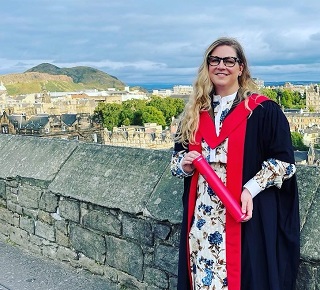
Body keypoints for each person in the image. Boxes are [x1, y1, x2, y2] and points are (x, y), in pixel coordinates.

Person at [170, 37, 300, 290]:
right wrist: (184, 166)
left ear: (241, 68)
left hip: (245, 212)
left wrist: (250, 190)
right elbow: (176, 162)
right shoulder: (194, 113)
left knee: (246, 277)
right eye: (215, 60)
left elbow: (285, 163)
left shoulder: (263, 111)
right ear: (207, 66)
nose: (221, 66)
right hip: (203, 217)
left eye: (229, 60)